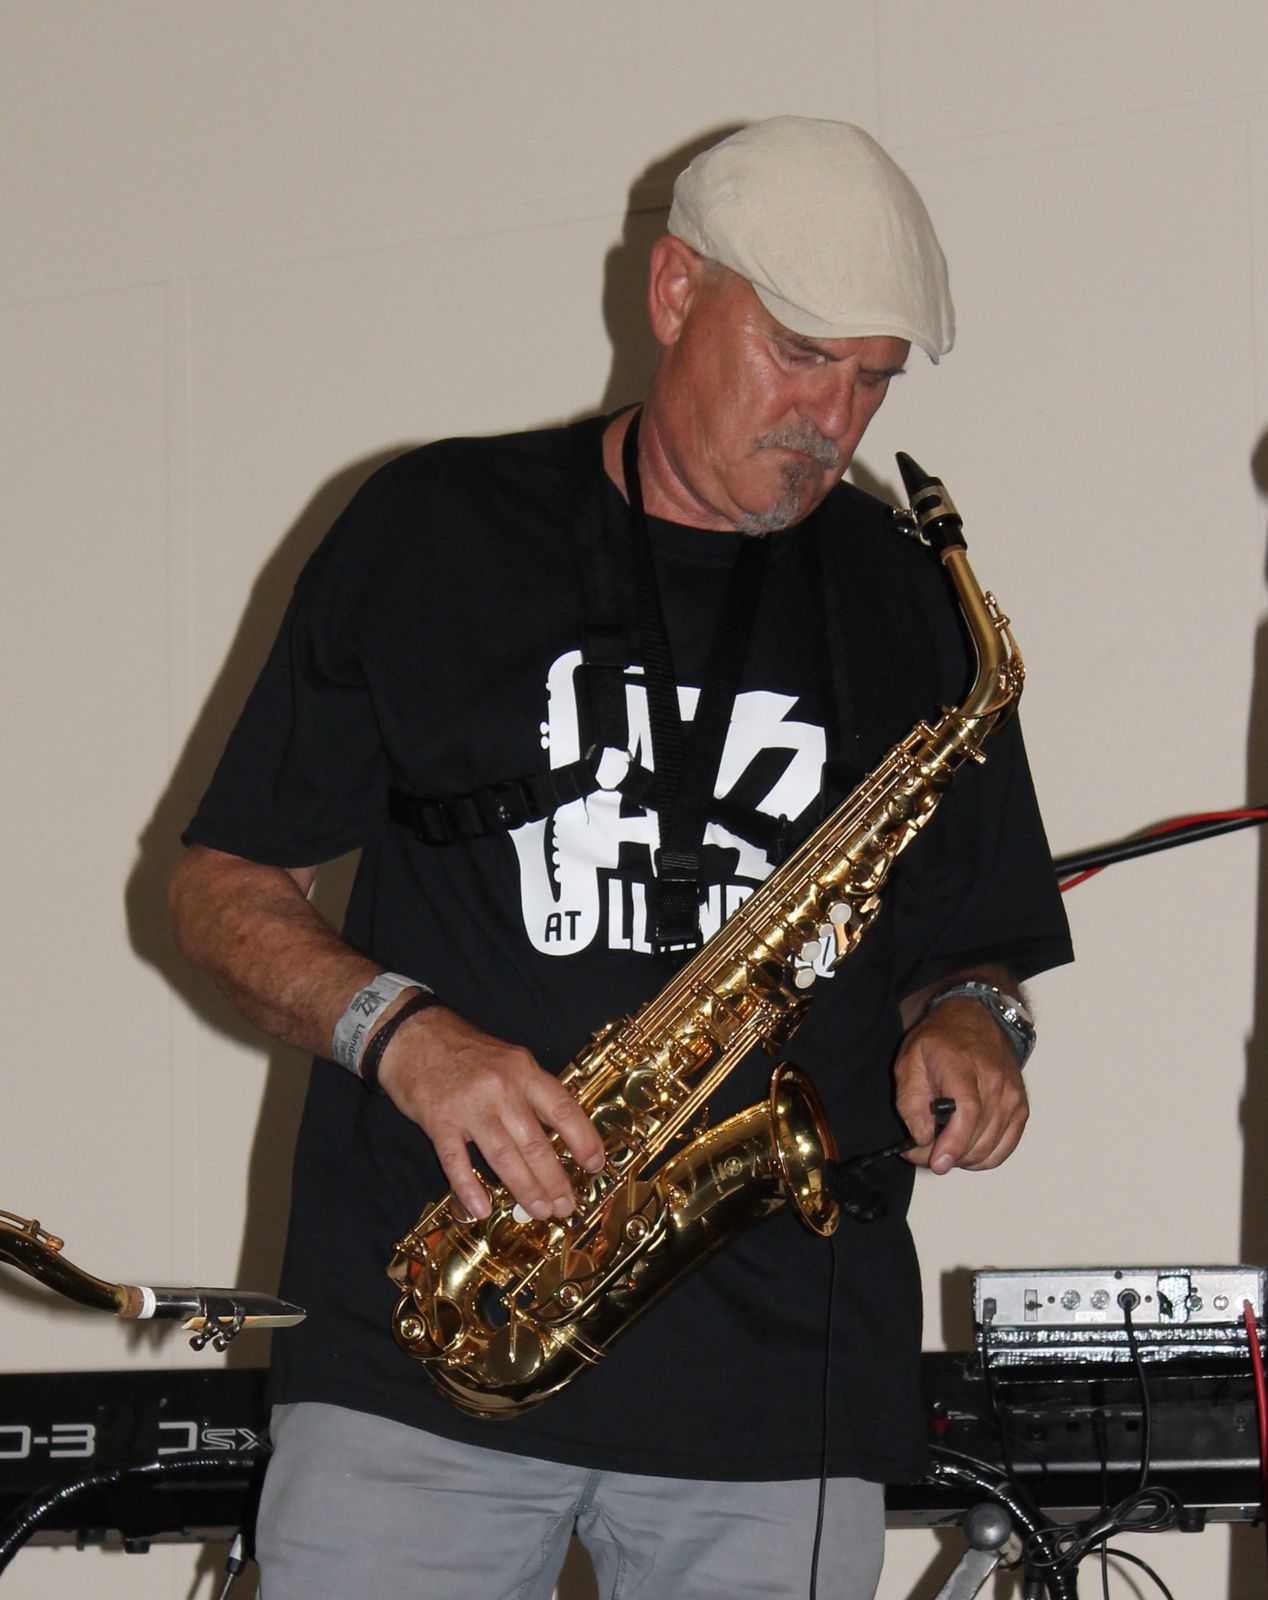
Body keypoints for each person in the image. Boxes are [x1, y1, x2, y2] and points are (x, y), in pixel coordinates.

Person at [170, 117, 1072, 1600]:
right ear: (673, 292)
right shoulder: (432, 530)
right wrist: (404, 1036)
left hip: (779, 1388)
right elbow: (220, 889)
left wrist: (980, 1022)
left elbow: (974, 949)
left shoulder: (913, 604)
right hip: (423, 1351)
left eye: (872, 379)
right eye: (800, 354)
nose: (832, 420)